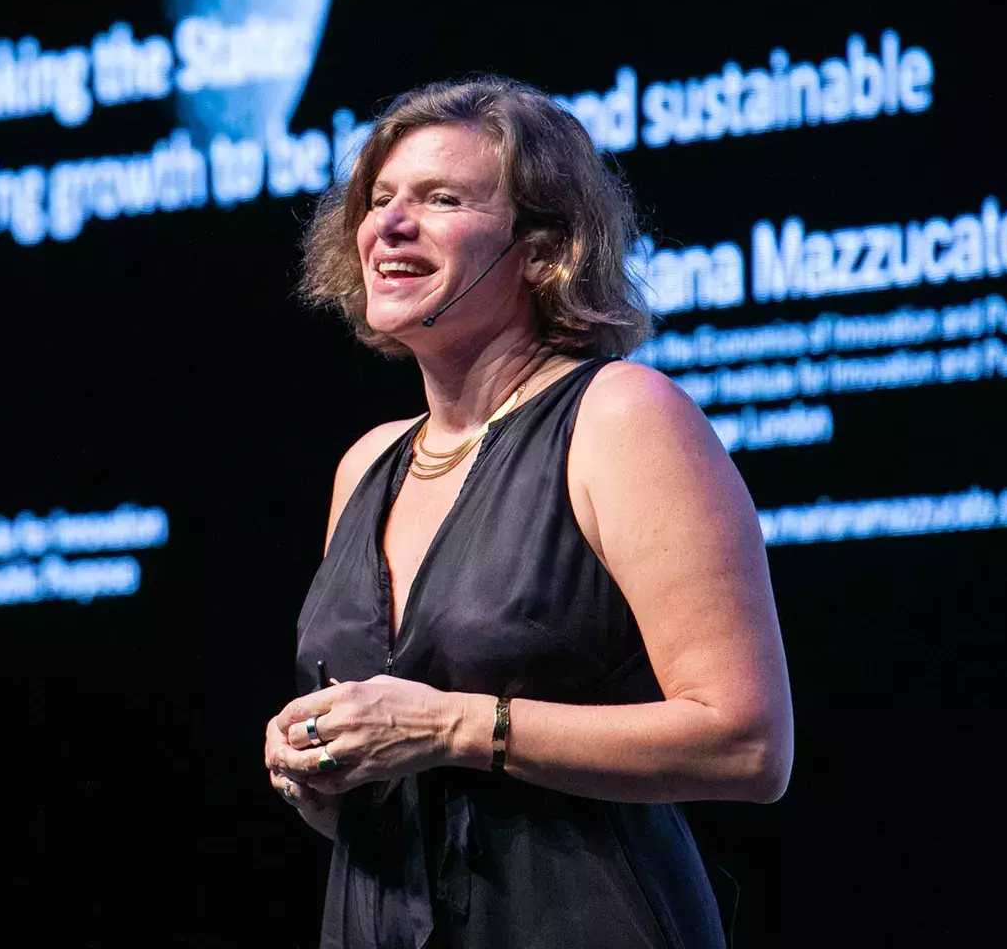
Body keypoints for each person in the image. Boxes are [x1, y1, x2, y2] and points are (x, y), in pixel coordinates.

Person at [264, 76, 793, 948]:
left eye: (441, 199)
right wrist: (326, 777)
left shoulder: (622, 418)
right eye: (380, 198)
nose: (389, 223)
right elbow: (419, 800)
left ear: (543, 251)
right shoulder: (367, 463)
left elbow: (747, 745)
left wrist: (450, 724)